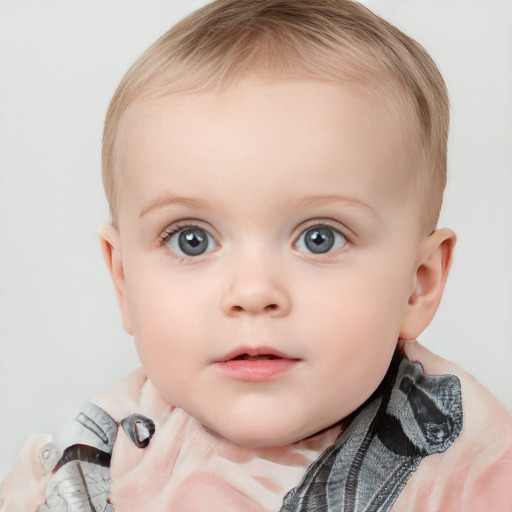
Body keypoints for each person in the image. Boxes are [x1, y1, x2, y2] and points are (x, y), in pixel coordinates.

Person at [1, 0, 511, 510]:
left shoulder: (472, 470)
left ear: (417, 283)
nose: (252, 292)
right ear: (123, 280)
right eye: (191, 240)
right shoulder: (93, 469)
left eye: (320, 238)